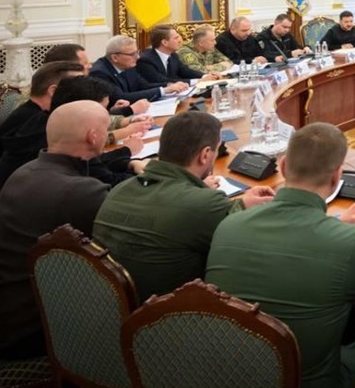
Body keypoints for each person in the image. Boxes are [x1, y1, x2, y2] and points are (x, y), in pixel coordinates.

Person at [206, 124, 355, 388]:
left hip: (228, 377)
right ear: (337, 177)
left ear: (283, 166)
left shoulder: (229, 226)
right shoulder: (353, 243)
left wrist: (338, 224)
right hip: (310, 381)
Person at [94, 111, 275, 301]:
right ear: (205, 154)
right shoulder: (205, 204)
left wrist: (240, 203)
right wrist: (242, 206)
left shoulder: (121, 189)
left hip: (112, 306)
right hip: (172, 313)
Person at [0, 101, 113, 359]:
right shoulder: (80, 191)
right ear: (94, 136)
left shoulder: (23, 172)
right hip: (32, 331)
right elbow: (131, 227)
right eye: (107, 129)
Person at [0, 60, 83, 191]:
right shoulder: (34, 125)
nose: (86, 91)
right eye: (79, 86)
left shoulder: (31, 114)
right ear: (53, 91)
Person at [90, 35, 187, 104]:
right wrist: (163, 90)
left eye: (137, 52)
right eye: (132, 54)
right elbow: (120, 98)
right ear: (115, 57)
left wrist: (169, 85)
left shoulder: (128, 65)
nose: (138, 57)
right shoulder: (100, 73)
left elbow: (143, 85)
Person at [138, 24, 219, 84]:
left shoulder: (173, 55)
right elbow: (162, 81)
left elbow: (185, 71)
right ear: (165, 42)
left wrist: (205, 76)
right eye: (176, 38)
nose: (180, 41)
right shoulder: (146, 60)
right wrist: (197, 81)